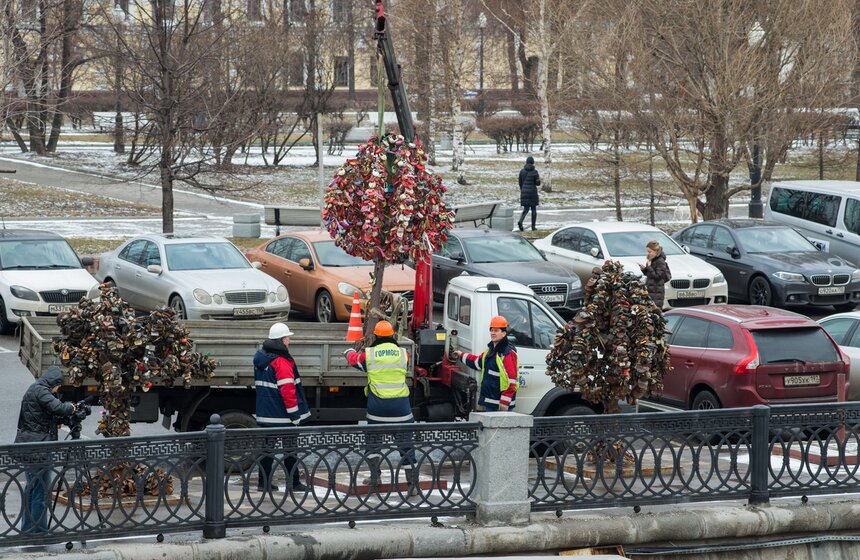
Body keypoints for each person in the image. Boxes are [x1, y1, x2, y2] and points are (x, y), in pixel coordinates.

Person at [344, 320, 415, 485]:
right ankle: (413, 484)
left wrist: (348, 350)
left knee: (373, 445)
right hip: (401, 411)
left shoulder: (369, 355)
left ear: (375, 335)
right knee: (406, 446)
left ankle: (375, 478)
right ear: (392, 335)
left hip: (378, 411)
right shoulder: (404, 354)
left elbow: (354, 360)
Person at [15, 365, 76, 533]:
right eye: (58, 386)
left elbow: (40, 416)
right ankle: (39, 531)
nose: (57, 390)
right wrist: (72, 408)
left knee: (32, 487)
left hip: (30, 445)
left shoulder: (34, 389)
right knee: (41, 490)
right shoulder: (42, 391)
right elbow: (59, 408)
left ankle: (28, 528)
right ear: (54, 383)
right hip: (39, 449)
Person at [253, 322, 311, 493]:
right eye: (288, 338)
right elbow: (288, 391)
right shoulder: (281, 361)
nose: (289, 341)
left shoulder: (261, 358)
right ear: (282, 340)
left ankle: (263, 483)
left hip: (265, 415)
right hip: (283, 416)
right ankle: (293, 483)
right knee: (291, 451)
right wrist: (295, 416)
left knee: (266, 452)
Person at [451, 315, 519, 411]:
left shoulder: (507, 353)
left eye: (496, 331)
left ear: (503, 333)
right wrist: (460, 355)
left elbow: (512, 381)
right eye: (491, 330)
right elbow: (477, 362)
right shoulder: (491, 349)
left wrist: (504, 403)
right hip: (491, 402)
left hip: (500, 405)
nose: (492, 333)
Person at [639, 240, 672, 309]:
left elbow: (658, 276)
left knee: (655, 312)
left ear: (655, 251)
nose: (648, 253)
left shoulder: (660, 261)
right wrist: (644, 269)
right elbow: (649, 274)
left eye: (650, 252)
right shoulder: (652, 259)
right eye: (647, 251)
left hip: (657, 292)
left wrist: (649, 267)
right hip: (651, 290)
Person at [518, 156, 541, 232]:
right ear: (533, 162)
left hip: (524, 192)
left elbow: (520, 182)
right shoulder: (535, 172)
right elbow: (537, 183)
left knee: (526, 209)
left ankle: (520, 221)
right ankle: (533, 227)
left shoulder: (522, 171)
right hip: (533, 193)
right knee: (533, 209)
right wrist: (538, 180)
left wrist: (522, 190)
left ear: (526, 162)